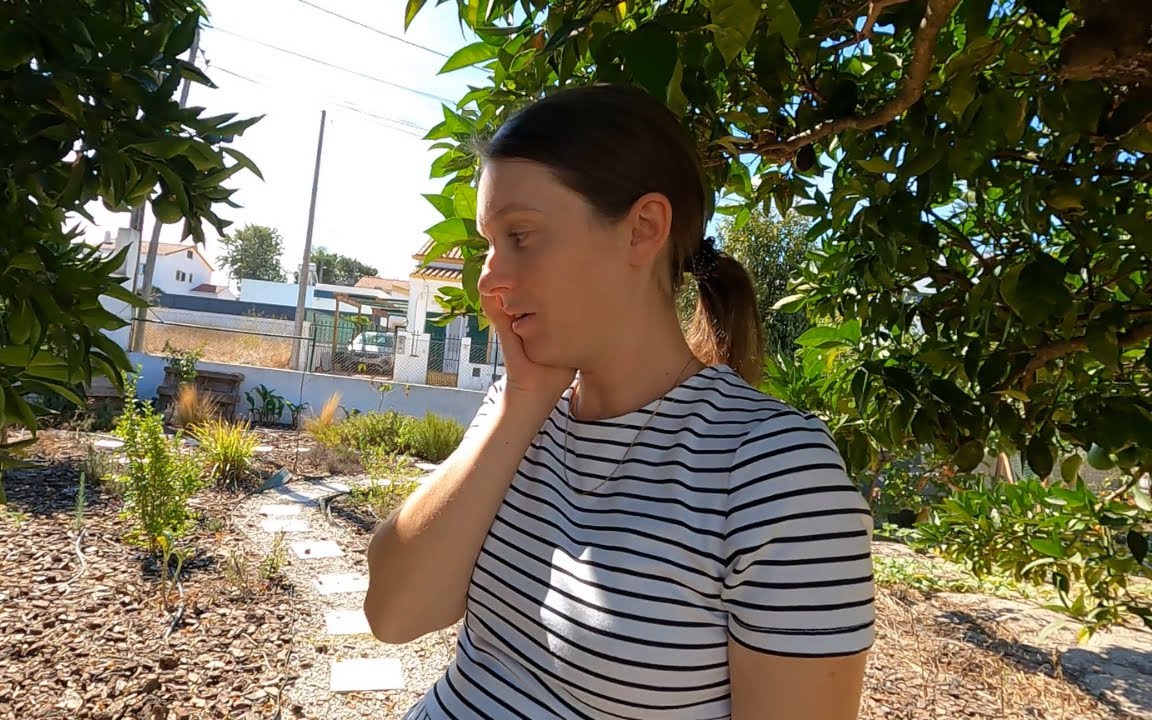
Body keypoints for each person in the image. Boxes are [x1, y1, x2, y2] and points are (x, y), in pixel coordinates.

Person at [365, 84, 875, 720]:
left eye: (521, 235)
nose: (490, 277)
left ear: (642, 230)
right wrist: (521, 402)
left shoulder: (777, 471)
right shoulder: (521, 406)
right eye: (490, 244)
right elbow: (393, 612)